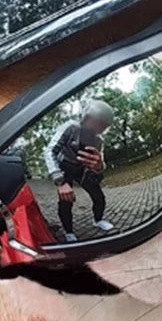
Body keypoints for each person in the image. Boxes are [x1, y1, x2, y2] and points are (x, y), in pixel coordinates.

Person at [44, 99, 116, 241]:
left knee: (99, 196)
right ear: (86, 118)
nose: (99, 129)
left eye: (103, 126)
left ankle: (98, 220)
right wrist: (60, 180)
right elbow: (50, 150)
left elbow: (100, 162)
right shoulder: (70, 127)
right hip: (64, 167)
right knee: (66, 200)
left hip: (82, 170)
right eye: (97, 123)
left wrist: (99, 166)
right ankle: (69, 231)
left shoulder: (99, 140)